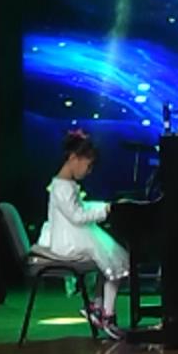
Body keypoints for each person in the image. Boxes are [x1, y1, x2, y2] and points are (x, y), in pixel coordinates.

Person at [35, 129, 128, 339]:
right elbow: (77, 216)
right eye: (88, 165)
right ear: (73, 158)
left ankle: (97, 307)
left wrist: (104, 206)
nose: (89, 171)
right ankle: (107, 315)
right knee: (115, 261)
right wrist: (105, 210)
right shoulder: (61, 187)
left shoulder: (66, 184)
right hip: (67, 242)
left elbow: (79, 207)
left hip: (69, 236)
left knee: (109, 260)